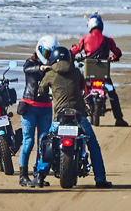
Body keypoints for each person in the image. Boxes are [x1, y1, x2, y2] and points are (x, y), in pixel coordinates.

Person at [38, 47, 112, 188]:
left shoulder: (50, 74)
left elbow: (41, 90)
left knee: (48, 141)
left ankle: (40, 175)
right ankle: (100, 178)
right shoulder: (77, 72)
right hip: (79, 116)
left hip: (59, 117)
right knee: (93, 145)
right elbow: (81, 89)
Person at [71, 14, 129, 127]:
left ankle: (75, 117)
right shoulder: (108, 40)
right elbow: (118, 53)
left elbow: (75, 50)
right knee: (112, 94)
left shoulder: (85, 39)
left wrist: (71, 54)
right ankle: (119, 118)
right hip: (103, 74)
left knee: (78, 91)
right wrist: (114, 58)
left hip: (89, 73)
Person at [17, 36, 59, 187]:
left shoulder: (55, 65)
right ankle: (23, 175)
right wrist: (41, 68)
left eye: (51, 55)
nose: (49, 58)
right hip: (30, 107)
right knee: (28, 142)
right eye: (47, 54)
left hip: (46, 108)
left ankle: (38, 175)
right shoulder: (31, 62)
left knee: (44, 142)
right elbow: (26, 68)